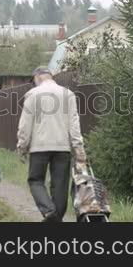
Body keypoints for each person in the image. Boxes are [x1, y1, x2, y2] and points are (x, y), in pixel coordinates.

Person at [17, 66, 87, 222]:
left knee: (35, 180)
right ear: (51, 77)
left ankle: (50, 212)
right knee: (60, 185)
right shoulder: (68, 94)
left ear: (37, 78)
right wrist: (79, 149)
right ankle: (56, 219)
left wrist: (22, 147)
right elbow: (74, 124)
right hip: (62, 148)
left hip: (38, 148)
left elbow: (25, 126)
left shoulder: (32, 94)